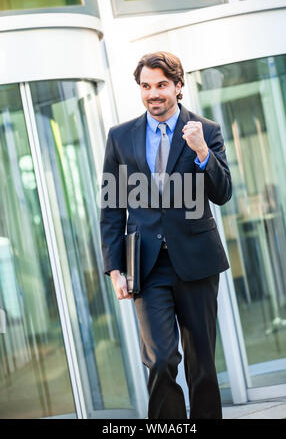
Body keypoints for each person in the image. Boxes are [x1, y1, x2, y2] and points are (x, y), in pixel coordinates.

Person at [100, 51, 232, 419]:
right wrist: (114, 268)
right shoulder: (121, 137)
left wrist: (203, 152)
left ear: (178, 86)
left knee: (201, 364)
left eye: (161, 85)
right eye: (146, 86)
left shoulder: (205, 131)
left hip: (196, 260)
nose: (153, 93)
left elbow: (222, 193)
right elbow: (112, 206)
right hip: (146, 265)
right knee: (159, 360)